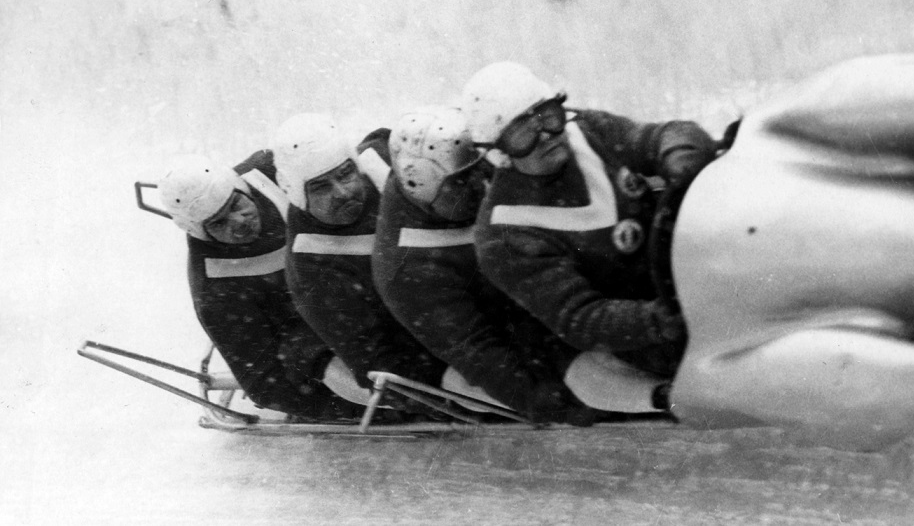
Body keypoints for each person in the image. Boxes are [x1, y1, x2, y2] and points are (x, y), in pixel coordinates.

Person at [462, 62, 717, 378]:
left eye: (548, 116)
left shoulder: (589, 131)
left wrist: (680, 155)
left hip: (698, 263)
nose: (545, 135)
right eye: (522, 134)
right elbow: (580, 317)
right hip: (656, 331)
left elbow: (658, 136)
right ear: (499, 154)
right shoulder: (504, 235)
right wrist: (661, 319)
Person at [372, 106, 598, 424]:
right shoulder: (406, 271)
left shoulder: (464, 181)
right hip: (515, 341)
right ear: (419, 185)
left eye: (479, 167)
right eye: (462, 180)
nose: (480, 182)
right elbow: (478, 352)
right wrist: (556, 405)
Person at [157, 151, 368, 421]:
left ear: (242, 188)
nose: (239, 222)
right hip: (309, 330)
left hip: (348, 282)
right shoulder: (214, 291)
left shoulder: (268, 170)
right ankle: (384, 399)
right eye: (219, 223)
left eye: (236, 204)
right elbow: (264, 384)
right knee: (302, 348)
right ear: (200, 231)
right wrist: (349, 410)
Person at [272, 113, 448, 405]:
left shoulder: (388, 155)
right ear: (298, 195)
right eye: (320, 187)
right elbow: (375, 359)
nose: (342, 193)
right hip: (410, 333)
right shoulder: (309, 266)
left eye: (345, 174)